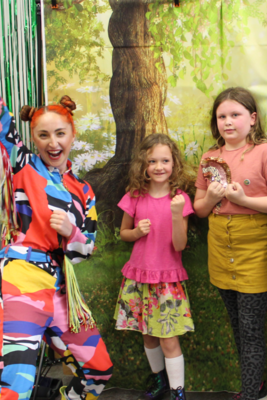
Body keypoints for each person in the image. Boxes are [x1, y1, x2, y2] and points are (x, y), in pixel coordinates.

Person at [0, 25, 113, 400]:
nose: (52, 142)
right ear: (33, 139)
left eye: (59, 134)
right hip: (21, 277)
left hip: (61, 289)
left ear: (72, 136)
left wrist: (71, 231)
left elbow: (87, 246)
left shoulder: (83, 190)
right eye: (43, 135)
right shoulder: (24, 166)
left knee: (99, 372)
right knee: (16, 386)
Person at [193, 87, 267, 400]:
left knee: (250, 330)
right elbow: (199, 209)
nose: (228, 122)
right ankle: (257, 388)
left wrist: (243, 199)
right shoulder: (209, 158)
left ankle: (250, 394)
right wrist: (209, 197)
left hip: (255, 251)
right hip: (220, 249)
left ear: (252, 118)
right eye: (222, 116)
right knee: (237, 326)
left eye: (235, 115)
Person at [114, 134, 194, 400]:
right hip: (139, 275)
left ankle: (177, 391)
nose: (159, 167)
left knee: (168, 338)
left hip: (166, 278)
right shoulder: (135, 196)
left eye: (165, 160)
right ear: (143, 165)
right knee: (147, 335)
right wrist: (136, 232)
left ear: (174, 164)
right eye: (152, 161)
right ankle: (159, 378)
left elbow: (180, 245)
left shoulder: (180, 198)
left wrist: (175, 213)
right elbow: (123, 233)